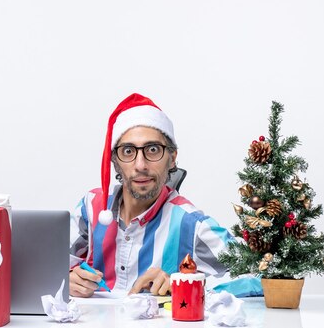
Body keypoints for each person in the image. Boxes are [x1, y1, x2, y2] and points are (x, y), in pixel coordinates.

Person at [69, 93, 232, 297]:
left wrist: (183, 283)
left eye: (153, 149)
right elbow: (45, 268)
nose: (140, 165)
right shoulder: (91, 208)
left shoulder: (191, 224)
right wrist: (67, 278)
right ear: (115, 161)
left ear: (172, 158)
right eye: (128, 151)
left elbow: (262, 275)